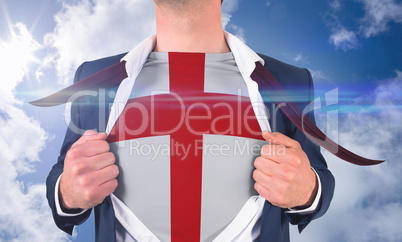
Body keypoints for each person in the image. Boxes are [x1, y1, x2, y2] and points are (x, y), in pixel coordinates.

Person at [45, 0, 335, 241]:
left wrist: (307, 189)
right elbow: (64, 172)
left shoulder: (289, 80)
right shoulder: (95, 78)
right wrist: (68, 191)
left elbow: (317, 175)